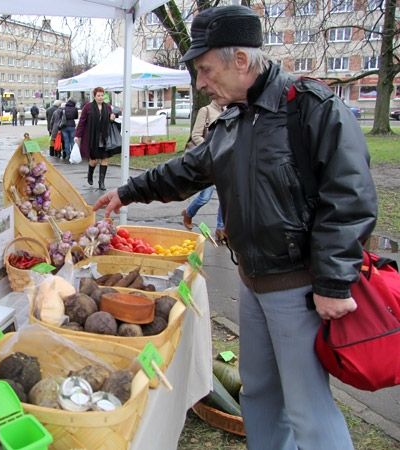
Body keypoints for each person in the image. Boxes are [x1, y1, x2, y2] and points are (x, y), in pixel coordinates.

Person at [93, 6, 376, 450]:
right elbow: (186, 170)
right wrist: (127, 192)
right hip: (252, 283)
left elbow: (351, 198)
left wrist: (334, 283)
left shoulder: (311, 108)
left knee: (306, 408)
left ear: (239, 61)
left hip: (300, 288)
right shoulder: (233, 119)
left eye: (206, 70)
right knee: (259, 394)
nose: (202, 83)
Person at [180, 99, 225, 241]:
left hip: (224, 161)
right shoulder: (205, 110)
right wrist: (211, 148)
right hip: (209, 160)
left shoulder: (229, 111)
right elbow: (195, 135)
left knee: (224, 198)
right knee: (205, 197)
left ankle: (220, 229)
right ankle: (188, 213)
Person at [75, 86, 116, 190]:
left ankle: (101, 182)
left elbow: (110, 122)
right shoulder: (88, 107)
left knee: (105, 159)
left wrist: (112, 118)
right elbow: (82, 122)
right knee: (93, 160)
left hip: (104, 138)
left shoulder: (107, 107)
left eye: (102, 95)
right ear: (94, 96)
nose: (101, 97)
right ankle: (90, 173)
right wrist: (77, 135)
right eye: (99, 95)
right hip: (92, 138)